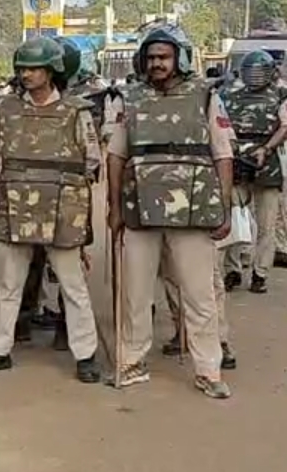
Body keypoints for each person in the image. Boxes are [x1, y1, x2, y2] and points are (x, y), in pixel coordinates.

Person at [107, 24, 233, 399]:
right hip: (139, 206)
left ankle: (208, 370)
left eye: (163, 56)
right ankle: (130, 361)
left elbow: (223, 154)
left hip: (193, 208)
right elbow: (116, 155)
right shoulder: (127, 98)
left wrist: (224, 207)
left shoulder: (205, 96)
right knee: (135, 292)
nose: (156, 63)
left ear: (179, 57)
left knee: (199, 294)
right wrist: (112, 207)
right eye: (150, 57)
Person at [0, 38, 101, 383]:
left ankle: (86, 355)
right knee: (11, 283)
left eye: (34, 68)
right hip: (19, 207)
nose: (26, 74)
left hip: (62, 207)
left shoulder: (77, 110)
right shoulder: (7, 107)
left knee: (73, 286)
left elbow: (91, 161)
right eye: (22, 68)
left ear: (52, 70)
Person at [219, 50, 287, 294]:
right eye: (251, 72)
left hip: (266, 163)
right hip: (237, 161)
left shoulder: (280, 95)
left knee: (266, 224)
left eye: (260, 72)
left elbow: (285, 126)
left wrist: (267, 148)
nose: (255, 77)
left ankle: (260, 273)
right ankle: (232, 270)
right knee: (235, 218)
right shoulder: (229, 95)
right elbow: (221, 126)